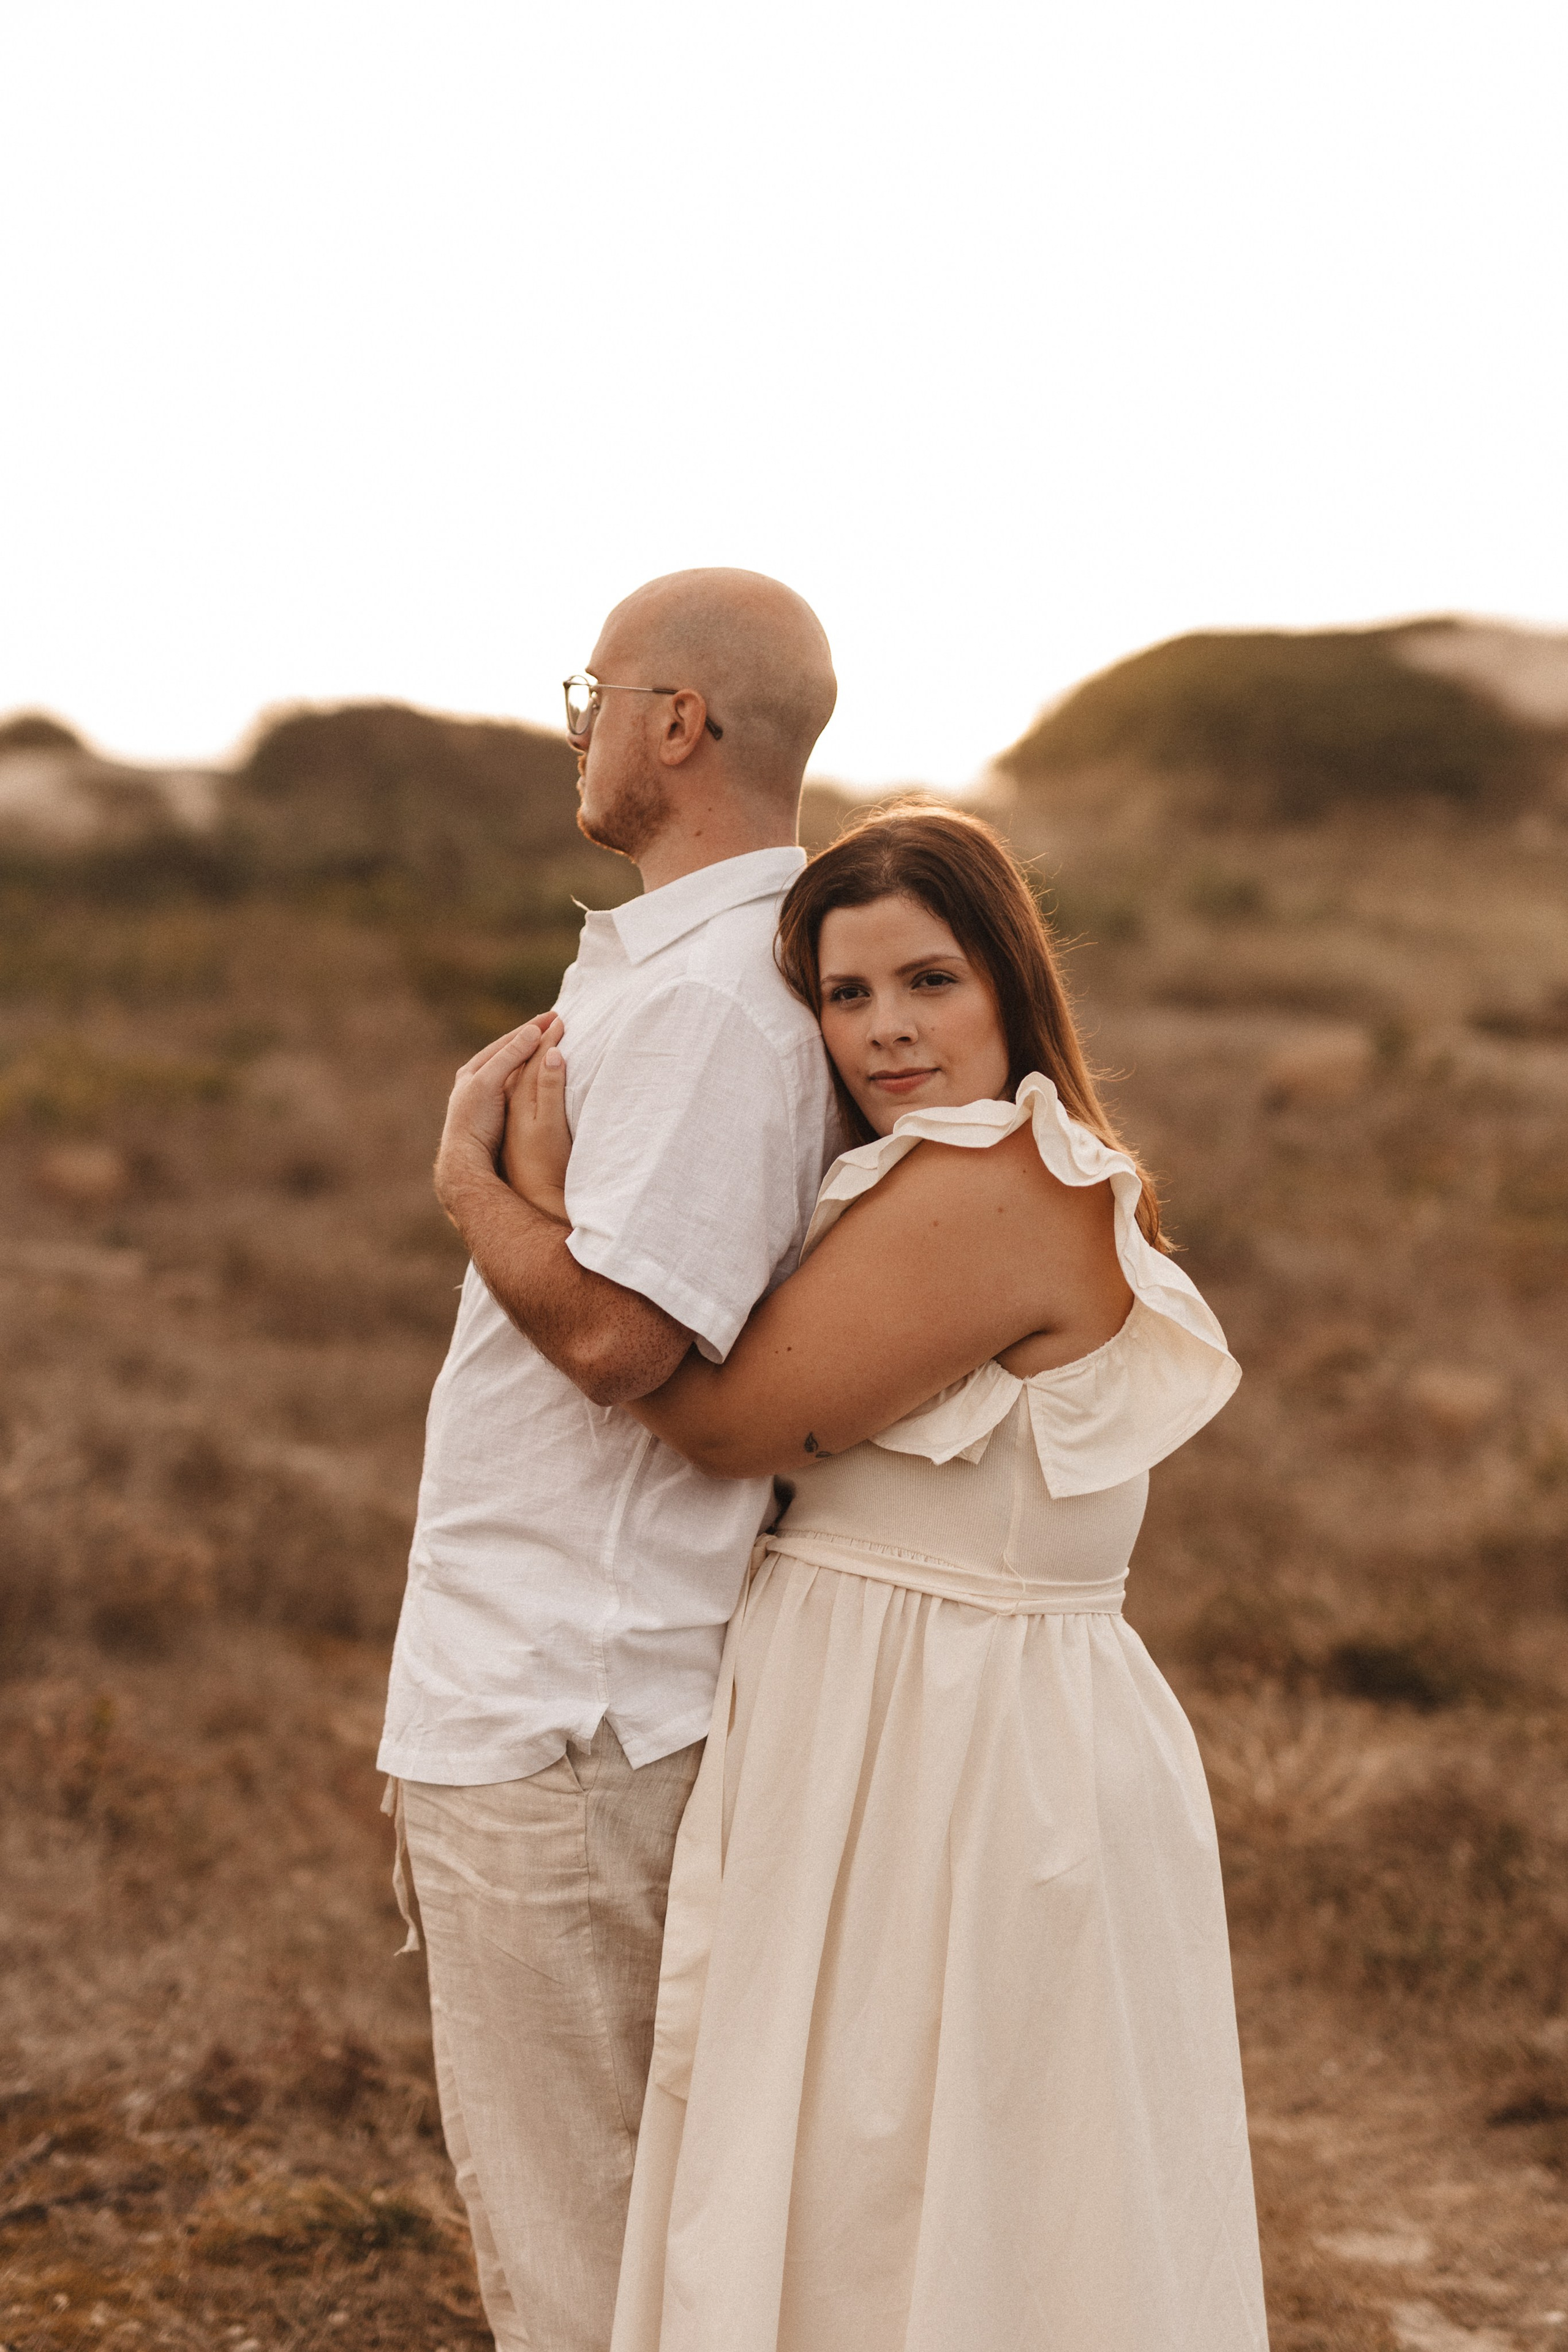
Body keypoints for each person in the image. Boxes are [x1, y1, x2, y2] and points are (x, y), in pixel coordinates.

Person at [505, 804, 1272, 2351]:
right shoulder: (939, 1174)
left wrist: (503, 1201)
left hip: (958, 1739)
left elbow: (725, 1422)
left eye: (926, 981)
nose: (885, 1031)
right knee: (908, 2187)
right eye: (844, 997)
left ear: (1007, 980)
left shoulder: (997, 1179)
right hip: (912, 1712)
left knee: (931, 2194)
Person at [377, 570, 842, 2352]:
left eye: (595, 690)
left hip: (572, 1709)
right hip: (550, 1694)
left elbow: (620, 1343)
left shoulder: (723, 999)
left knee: (586, 2274)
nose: (573, 723)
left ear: (677, 724)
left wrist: (464, 1179)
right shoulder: (695, 971)